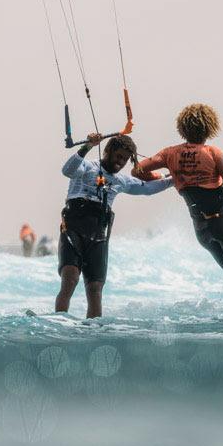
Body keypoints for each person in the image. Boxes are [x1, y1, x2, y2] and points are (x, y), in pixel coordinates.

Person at [133, 103, 223, 319]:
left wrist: (168, 178)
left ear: (182, 128)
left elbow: (137, 170)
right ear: (210, 127)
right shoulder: (213, 152)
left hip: (202, 231)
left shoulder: (169, 153)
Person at [57, 133, 173, 317]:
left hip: (99, 235)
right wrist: (87, 146)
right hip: (73, 228)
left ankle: (93, 333)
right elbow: (67, 170)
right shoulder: (87, 167)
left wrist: (175, 179)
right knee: (70, 279)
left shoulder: (121, 181)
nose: (120, 162)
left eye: (125, 160)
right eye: (118, 156)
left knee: (95, 289)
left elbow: (149, 189)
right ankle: (59, 326)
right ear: (108, 151)